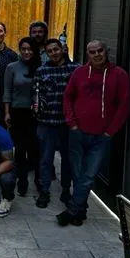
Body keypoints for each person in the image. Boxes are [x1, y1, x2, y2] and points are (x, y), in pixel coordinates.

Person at [59, 40, 130, 226]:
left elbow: (124, 106)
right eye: (92, 52)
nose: (97, 54)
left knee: (89, 175)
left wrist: (110, 132)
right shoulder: (79, 73)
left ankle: (72, 211)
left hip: (101, 137)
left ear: (106, 52)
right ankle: (80, 212)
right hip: (77, 133)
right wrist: (72, 124)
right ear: (87, 54)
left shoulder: (119, 75)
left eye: (100, 51)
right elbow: (67, 97)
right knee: (77, 174)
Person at [33, 38, 80, 209]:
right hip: (47, 122)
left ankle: (66, 190)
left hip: (68, 124)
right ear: (46, 53)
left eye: (56, 49)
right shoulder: (41, 71)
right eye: (50, 51)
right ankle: (44, 191)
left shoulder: (76, 69)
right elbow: (35, 94)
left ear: (62, 49)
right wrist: (35, 105)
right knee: (45, 159)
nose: (53, 53)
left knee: (68, 159)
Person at [3, 37, 41, 196]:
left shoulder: (39, 66)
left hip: (35, 114)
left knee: (35, 150)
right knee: (19, 150)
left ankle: (39, 181)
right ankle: (22, 180)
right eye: (24, 49)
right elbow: (7, 91)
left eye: (29, 49)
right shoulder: (12, 67)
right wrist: (7, 112)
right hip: (17, 112)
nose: (26, 52)